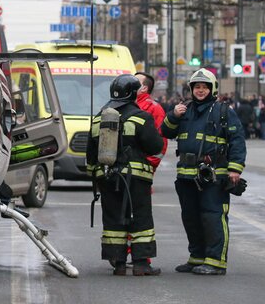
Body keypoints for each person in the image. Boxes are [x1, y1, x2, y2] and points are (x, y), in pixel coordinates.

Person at [162, 68, 246, 276]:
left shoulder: (223, 111)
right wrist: (173, 115)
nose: (200, 90)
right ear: (191, 89)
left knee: (213, 216)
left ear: (213, 89)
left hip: (213, 175)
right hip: (186, 175)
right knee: (190, 217)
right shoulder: (184, 110)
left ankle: (216, 261)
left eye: (204, 87)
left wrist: (235, 169)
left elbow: (237, 141)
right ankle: (197, 256)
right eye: (197, 87)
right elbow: (165, 132)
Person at [86, 74, 164, 276]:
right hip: (135, 179)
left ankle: (118, 263)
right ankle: (141, 264)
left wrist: (98, 178)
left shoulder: (98, 118)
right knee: (140, 219)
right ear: (132, 93)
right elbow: (155, 146)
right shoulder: (141, 117)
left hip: (107, 177)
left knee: (113, 220)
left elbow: (90, 155)